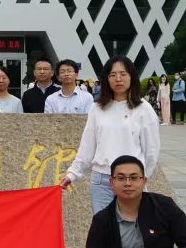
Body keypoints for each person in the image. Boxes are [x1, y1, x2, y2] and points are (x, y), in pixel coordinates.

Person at [60, 55, 161, 214]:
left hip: (131, 181)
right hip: (102, 181)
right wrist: (72, 174)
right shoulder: (97, 108)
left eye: (123, 74)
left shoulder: (144, 109)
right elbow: (87, 146)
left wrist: (140, 178)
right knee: (104, 227)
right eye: (113, 75)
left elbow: (151, 151)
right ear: (106, 79)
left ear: (132, 77)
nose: (118, 79)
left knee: (132, 226)